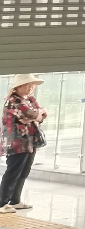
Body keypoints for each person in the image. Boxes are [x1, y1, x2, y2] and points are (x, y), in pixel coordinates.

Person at [1, 73, 47, 213]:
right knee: (13, 171)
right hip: (16, 142)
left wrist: (33, 116)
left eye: (33, 84)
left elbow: (41, 116)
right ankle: (2, 203)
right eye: (28, 84)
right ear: (19, 86)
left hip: (30, 141)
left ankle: (15, 201)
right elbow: (32, 114)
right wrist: (35, 115)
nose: (31, 87)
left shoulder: (30, 99)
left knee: (24, 171)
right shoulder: (13, 100)